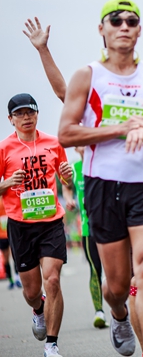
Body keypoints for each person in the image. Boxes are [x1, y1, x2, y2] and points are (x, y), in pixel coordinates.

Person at [57, 0, 143, 357]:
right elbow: (66, 133)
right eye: (116, 20)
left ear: (139, 30)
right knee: (115, 286)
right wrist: (119, 129)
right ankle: (117, 314)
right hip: (103, 186)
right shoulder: (88, 76)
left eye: (132, 21)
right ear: (103, 29)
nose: (124, 26)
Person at [0, 93, 73, 357]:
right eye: (19, 114)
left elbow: (67, 183)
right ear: (11, 119)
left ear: (37, 114)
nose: (26, 117)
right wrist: (7, 183)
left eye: (30, 112)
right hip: (21, 226)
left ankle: (51, 344)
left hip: (51, 222)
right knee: (32, 291)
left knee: (52, 279)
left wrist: (69, 177)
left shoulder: (54, 143)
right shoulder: (4, 148)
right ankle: (38, 309)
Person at [63, 145, 107, 328]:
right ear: (76, 148)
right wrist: (69, 199)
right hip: (88, 228)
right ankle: (99, 311)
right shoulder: (74, 168)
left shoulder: (106, 162)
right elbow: (66, 186)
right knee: (95, 269)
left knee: (118, 271)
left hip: (111, 225)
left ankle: (120, 306)